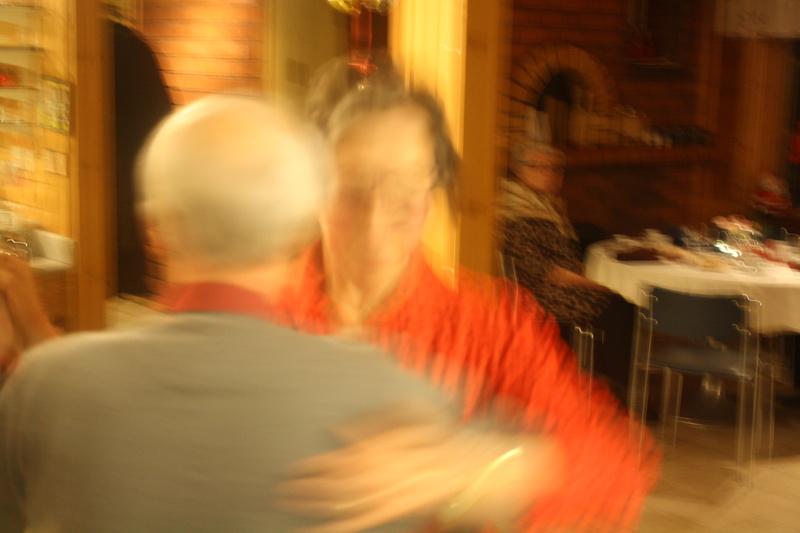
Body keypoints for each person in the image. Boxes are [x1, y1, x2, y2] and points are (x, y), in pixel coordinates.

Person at [1, 59, 660, 531]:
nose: (376, 217)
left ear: (434, 191)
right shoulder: (257, 302)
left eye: (407, 186)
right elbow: (146, 408)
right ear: (310, 195)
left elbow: (616, 468)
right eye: (352, 186)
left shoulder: (492, 325)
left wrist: (477, 467)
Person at [497, 142, 636, 404]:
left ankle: (610, 390)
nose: (549, 173)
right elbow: (546, 271)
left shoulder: (545, 206)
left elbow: (565, 258)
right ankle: (609, 396)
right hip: (539, 293)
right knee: (619, 305)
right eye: (538, 166)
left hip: (560, 285)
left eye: (555, 168)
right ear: (518, 170)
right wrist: (599, 284)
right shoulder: (515, 212)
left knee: (622, 303)